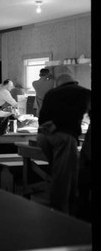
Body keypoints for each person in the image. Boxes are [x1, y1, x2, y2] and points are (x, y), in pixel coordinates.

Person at [37, 73, 91, 214]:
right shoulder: (82, 92)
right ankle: (59, 213)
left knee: (65, 172)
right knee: (63, 176)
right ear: (74, 83)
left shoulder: (51, 93)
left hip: (43, 135)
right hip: (63, 136)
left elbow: (42, 116)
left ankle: (71, 207)